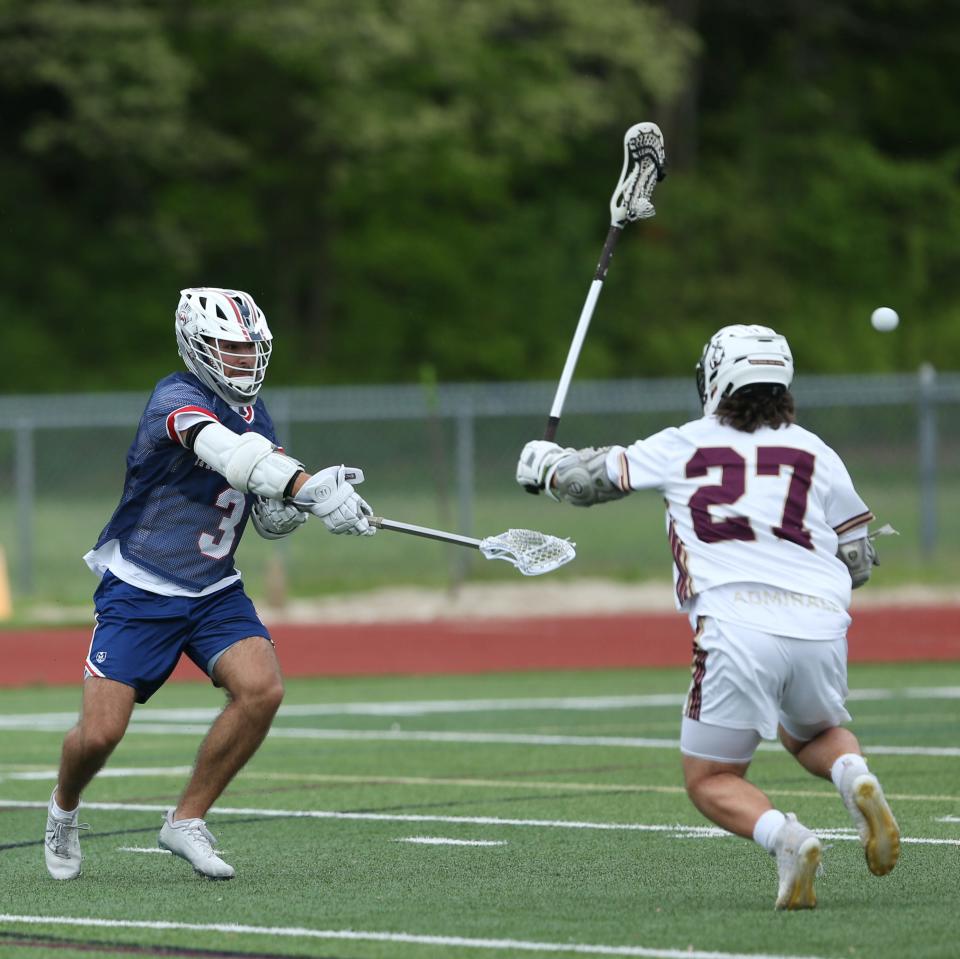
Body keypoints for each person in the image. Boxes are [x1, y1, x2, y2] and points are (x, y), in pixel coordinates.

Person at [516, 324, 900, 910]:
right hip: (822, 624)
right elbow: (858, 559)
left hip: (734, 624)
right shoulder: (816, 450)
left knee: (712, 778)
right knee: (814, 733)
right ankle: (852, 775)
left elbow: (585, 482)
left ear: (714, 377)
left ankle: (788, 839)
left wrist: (544, 467)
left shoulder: (683, 443)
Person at [44, 287, 377, 882]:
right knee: (98, 735)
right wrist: (305, 486)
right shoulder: (175, 398)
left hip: (214, 589)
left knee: (261, 690)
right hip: (142, 588)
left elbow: (267, 512)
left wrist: (316, 501)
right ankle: (63, 809)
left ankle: (187, 820)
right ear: (196, 345)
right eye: (229, 347)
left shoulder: (255, 410)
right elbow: (229, 454)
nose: (244, 361)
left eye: (251, 350)